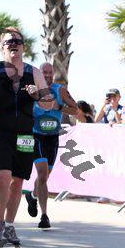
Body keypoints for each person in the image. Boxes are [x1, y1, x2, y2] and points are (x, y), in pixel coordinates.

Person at [0, 28, 54, 244]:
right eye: (9, 42)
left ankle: (10, 226)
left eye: (17, 41)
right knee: (1, 178)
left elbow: (49, 104)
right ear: (2, 47)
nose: (13, 45)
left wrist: (37, 95)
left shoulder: (34, 73)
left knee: (17, 182)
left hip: (25, 135)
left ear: (23, 47)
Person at [25, 62, 78, 228]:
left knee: (45, 176)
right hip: (36, 136)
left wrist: (59, 106)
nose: (47, 75)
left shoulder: (60, 90)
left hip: (53, 138)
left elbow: (75, 109)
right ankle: (44, 216)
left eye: (50, 72)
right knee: (42, 174)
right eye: (44, 72)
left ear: (53, 73)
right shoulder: (32, 90)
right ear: (39, 74)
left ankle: (32, 196)